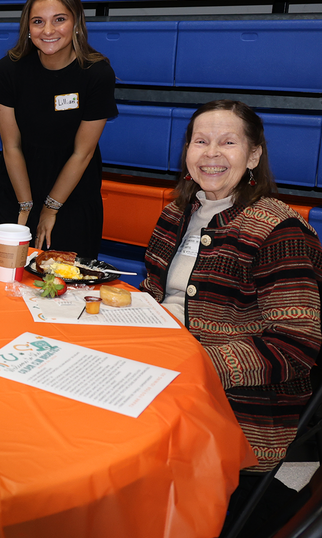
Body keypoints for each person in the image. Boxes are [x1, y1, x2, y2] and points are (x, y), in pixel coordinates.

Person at [141, 100, 322, 535]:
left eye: (228, 142)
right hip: (162, 369)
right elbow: (153, 294)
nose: (211, 154)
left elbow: (295, 344)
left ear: (254, 155)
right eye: (200, 141)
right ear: (187, 151)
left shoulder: (280, 230)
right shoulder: (176, 211)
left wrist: (195, 365)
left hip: (239, 402)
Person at [0, 0, 117, 258]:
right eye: (38, 21)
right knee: (10, 275)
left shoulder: (97, 74)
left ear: (76, 23)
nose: (48, 30)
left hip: (72, 193)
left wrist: (49, 209)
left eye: (59, 19)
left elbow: (83, 153)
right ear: (28, 27)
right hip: (17, 186)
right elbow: (11, 146)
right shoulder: (9, 69)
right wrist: (26, 206)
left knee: (66, 276)